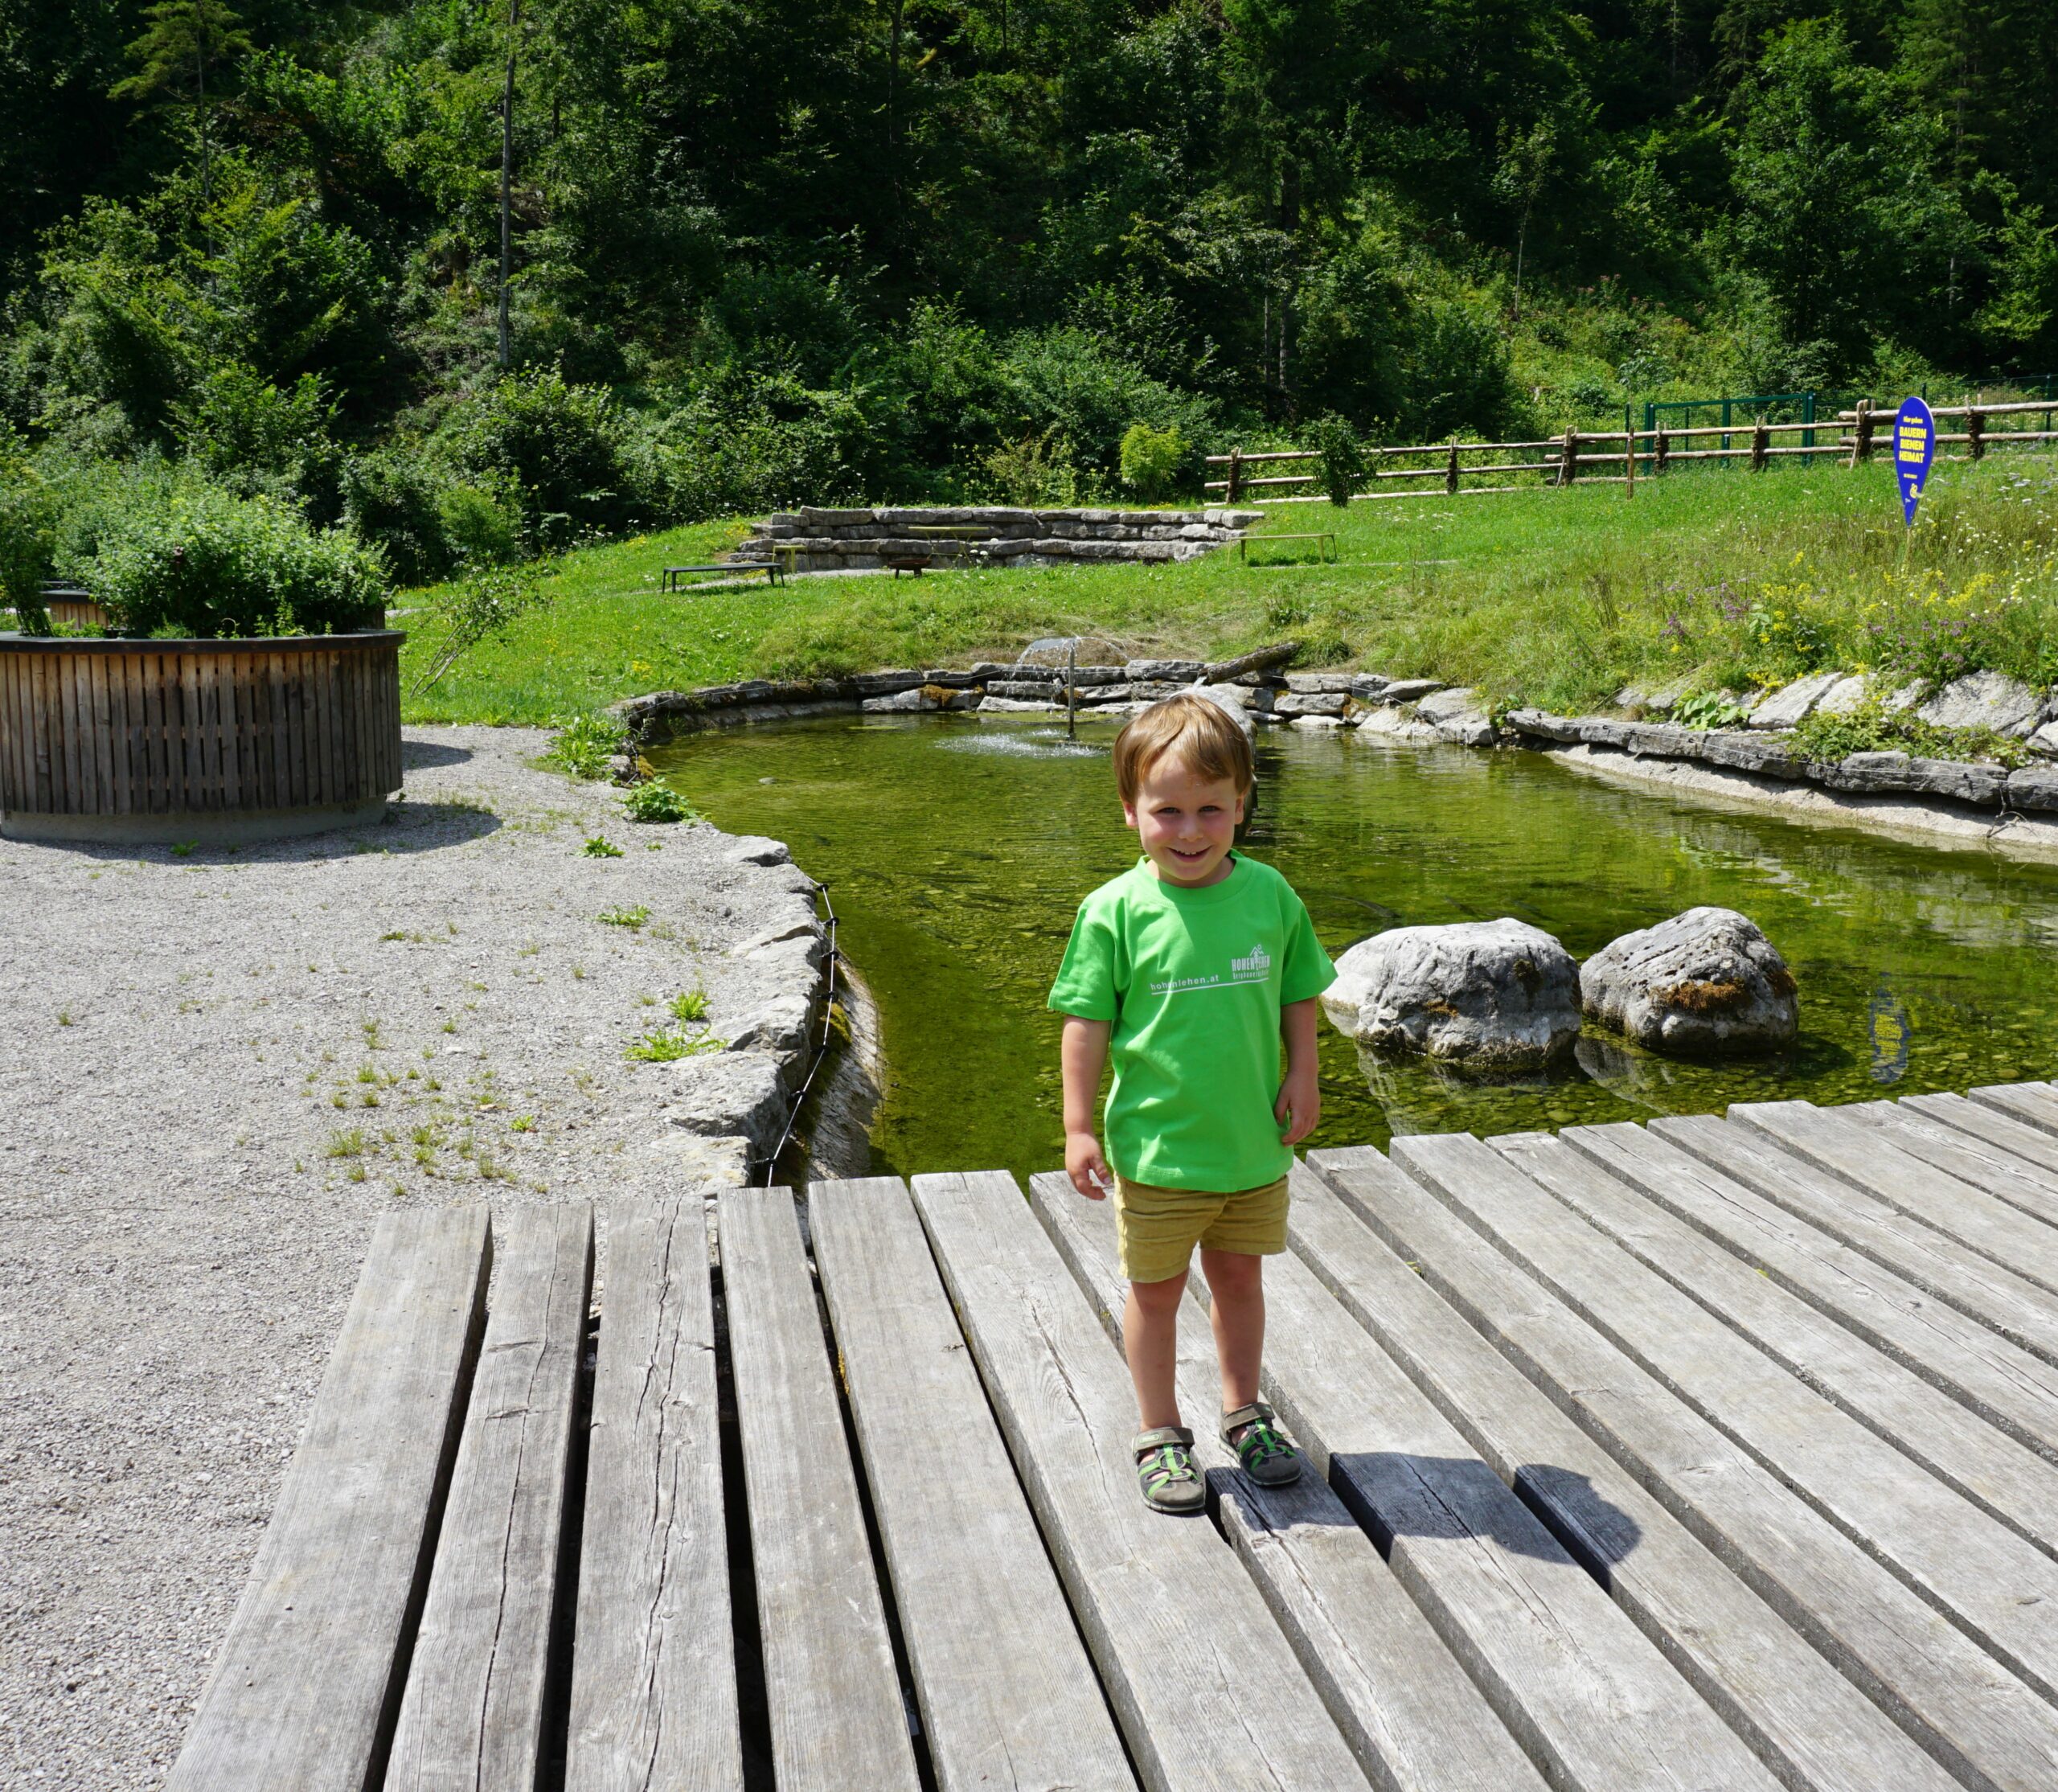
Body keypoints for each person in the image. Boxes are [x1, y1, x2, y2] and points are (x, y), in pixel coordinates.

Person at [1048, 692, 1336, 1512]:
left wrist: (1304, 1072)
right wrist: (1076, 1125)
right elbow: (1083, 1025)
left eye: (1211, 809)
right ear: (1129, 812)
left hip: (1251, 1144)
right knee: (1156, 1294)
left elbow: (1298, 994)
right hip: (1159, 1152)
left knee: (1240, 1281)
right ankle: (1159, 1431)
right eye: (1166, 811)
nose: (1189, 831)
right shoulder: (1114, 911)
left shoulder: (1271, 894)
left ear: (1242, 805)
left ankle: (1245, 1414)